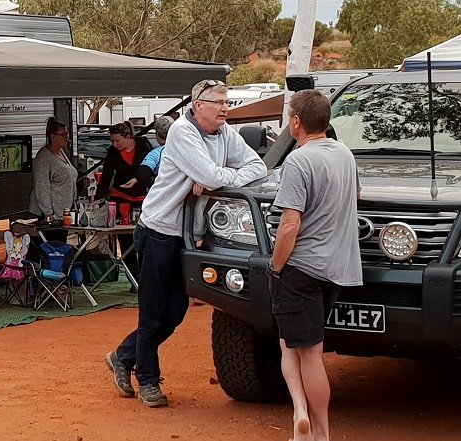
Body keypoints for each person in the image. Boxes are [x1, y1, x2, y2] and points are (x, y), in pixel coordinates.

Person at [107, 79, 267, 408]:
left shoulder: (224, 133)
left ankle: (123, 356)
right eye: (219, 102)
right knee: (152, 313)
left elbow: (258, 166)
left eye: (227, 102)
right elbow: (210, 176)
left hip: (187, 236)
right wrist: (210, 178)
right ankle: (149, 380)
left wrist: (215, 179)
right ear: (199, 106)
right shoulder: (183, 132)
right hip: (157, 230)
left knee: (177, 311)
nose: (226, 108)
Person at [268, 89, 362, 441]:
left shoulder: (298, 160)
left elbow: (290, 224)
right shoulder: (345, 154)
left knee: (297, 348)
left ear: (296, 122)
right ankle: (304, 420)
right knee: (306, 346)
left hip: (301, 267)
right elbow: (355, 198)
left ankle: (310, 423)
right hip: (337, 268)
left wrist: (277, 266)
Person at [98, 121, 152, 226]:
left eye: (117, 141)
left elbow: (153, 168)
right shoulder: (112, 152)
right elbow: (106, 177)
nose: (114, 144)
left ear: (128, 137)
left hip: (142, 197)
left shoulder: (143, 145)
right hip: (120, 196)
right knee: (123, 233)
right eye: (112, 141)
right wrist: (98, 199)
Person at [30, 117, 76, 222]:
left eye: (67, 134)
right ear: (53, 136)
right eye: (63, 135)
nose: (67, 138)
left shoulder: (61, 153)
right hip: (51, 215)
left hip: (63, 213)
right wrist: (49, 213)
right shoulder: (44, 157)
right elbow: (42, 187)